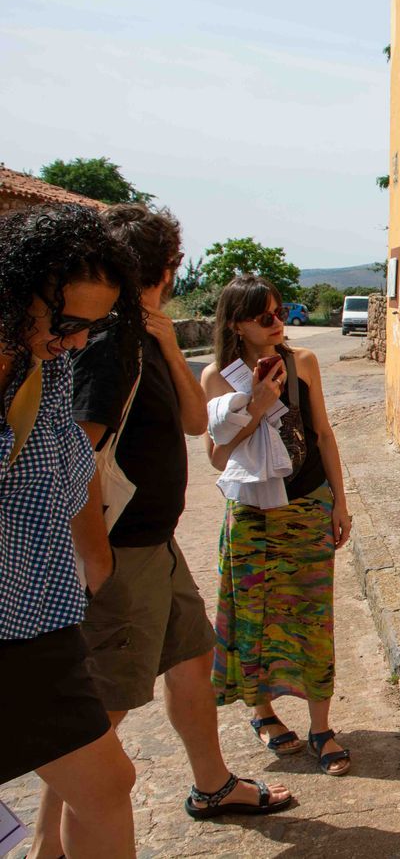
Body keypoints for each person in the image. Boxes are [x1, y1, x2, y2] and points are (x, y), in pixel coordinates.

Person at [32, 208, 293, 855]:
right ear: (166, 271)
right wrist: (99, 562)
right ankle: (49, 849)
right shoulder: (107, 350)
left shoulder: (144, 339)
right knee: (94, 731)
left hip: (157, 546)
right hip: (123, 556)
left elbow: (195, 422)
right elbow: (71, 459)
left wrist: (172, 344)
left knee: (192, 659)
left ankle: (211, 784)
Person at [0, 202, 143, 859]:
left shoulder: (48, 367)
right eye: (65, 322)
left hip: (35, 618)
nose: (79, 341)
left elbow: (64, 479)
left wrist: (94, 559)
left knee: (109, 785)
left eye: (96, 325)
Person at [201, 275, 354, 775]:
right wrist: (258, 408)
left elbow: (324, 434)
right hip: (251, 515)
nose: (277, 322)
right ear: (237, 324)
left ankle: (321, 726)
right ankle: (262, 711)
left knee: (312, 615)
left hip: (306, 504)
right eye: (264, 317)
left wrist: (339, 503)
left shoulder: (302, 362)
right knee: (254, 613)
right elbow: (216, 456)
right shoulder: (217, 378)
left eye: (279, 311)